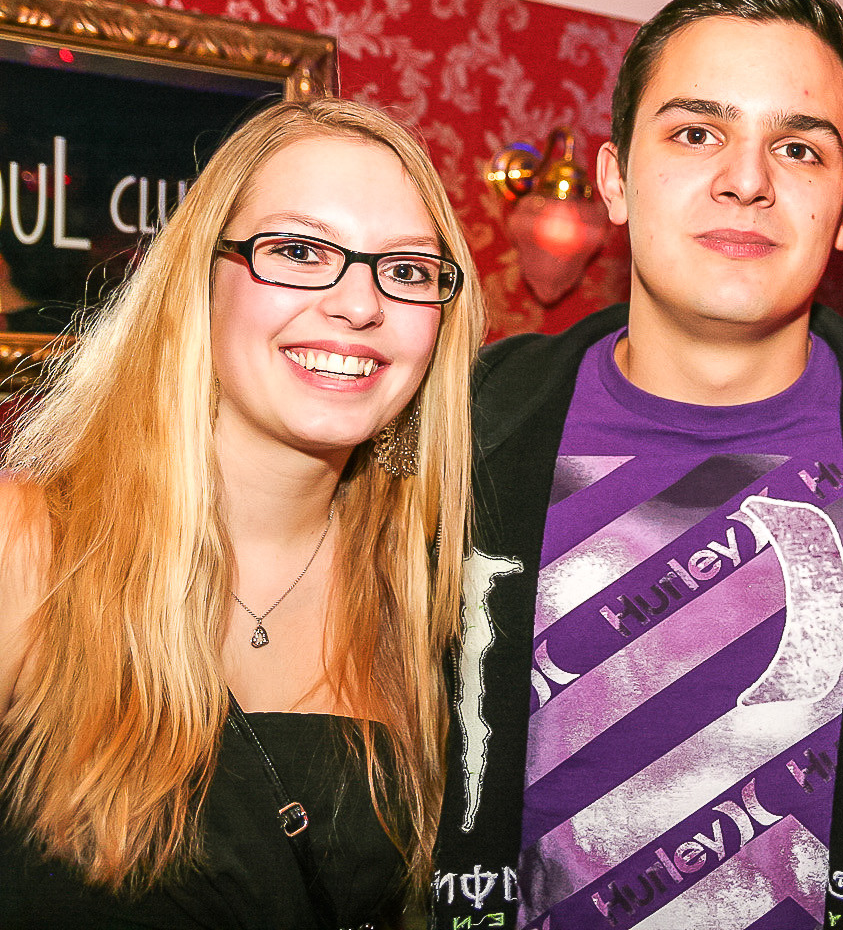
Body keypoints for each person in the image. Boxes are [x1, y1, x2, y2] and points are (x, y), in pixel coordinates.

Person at [430, 0, 843, 930]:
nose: (747, 180)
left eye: (798, 149)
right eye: (696, 132)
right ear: (615, 178)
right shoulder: (459, 426)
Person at [0, 97, 484, 927]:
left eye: (406, 270)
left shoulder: (431, 592)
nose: (359, 304)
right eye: (298, 251)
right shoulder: (28, 545)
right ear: (201, 280)